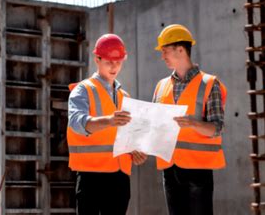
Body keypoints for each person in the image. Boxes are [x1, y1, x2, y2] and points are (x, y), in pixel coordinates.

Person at [67, 34, 147, 215]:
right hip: (91, 177)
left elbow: (125, 137)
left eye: (118, 62)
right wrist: (109, 121)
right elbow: (76, 122)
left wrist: (135, 152)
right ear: (97, 59)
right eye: (109, 61)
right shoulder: (83, 89)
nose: (114, 67)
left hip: (119, 178)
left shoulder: (124, 97)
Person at [152, 24, 227, 215]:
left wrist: (192, 123)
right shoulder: (161, 86)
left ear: (180, 49)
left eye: (165, 51)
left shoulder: (209, 84)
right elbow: (153, 126)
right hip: (169, 170)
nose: (163, 56)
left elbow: (217, 128)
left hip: (198, 170)